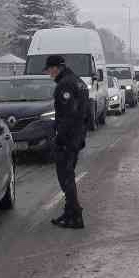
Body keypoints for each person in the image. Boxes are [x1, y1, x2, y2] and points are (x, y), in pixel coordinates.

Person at [44, 55, 90, 229]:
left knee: (65, 176)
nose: (49, 73)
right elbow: (85, 114)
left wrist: (60, 139)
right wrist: (82, 136)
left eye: (49, 69)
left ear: (57, 68)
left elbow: (68, 116)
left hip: (69, 138)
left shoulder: (66, 85)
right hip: (76, 136)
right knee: (68, 174)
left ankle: (75, 215)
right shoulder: (77, 81)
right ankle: (70, 211)